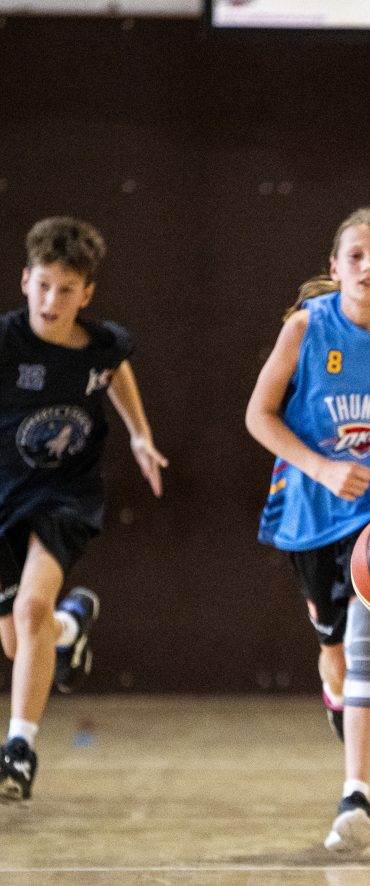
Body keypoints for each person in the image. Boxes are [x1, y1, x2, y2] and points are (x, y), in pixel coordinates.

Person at [245, 207, 370, 854]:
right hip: (311, 510)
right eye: (355, 255)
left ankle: (355, 795)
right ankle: (338, 698)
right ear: (335, 267)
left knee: (365, 642)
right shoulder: (307, 327)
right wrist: (323, 468)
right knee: (332, 652)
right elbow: (259, 415)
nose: (368, 266)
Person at [0, 217, 168, 802]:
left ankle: (18, 749)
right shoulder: (6, 343)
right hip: (5, 494)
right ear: (26, 281)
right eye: (43, 286)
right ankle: (71, 626)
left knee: (31, 607)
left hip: (66, 495)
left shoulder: (102, 345)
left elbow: (115, 373)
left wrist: (140, 435)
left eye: (66, 290)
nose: (52, 301)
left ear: (87, 293)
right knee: (21, 640)